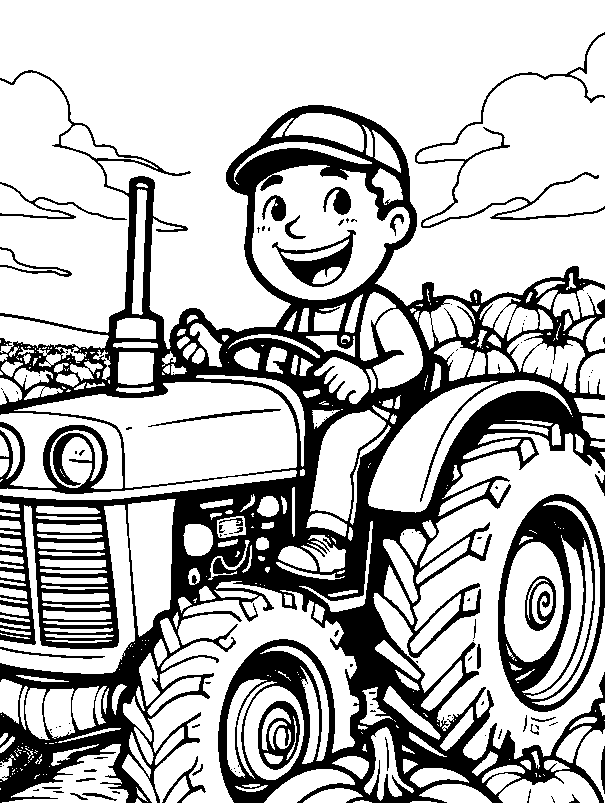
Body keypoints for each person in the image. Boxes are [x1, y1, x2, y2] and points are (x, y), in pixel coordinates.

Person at [172, 106, 427, 581]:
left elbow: (411, 361)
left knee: (338, 440)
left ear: (392, 224)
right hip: (299, 410)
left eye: (336, 202)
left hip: (370, 413)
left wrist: (366, 376)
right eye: (277, 210)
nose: (295, 228)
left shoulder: (375, 310)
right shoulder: (295, 317)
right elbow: (265, 365)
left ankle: (329, 540)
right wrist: (214, 357)